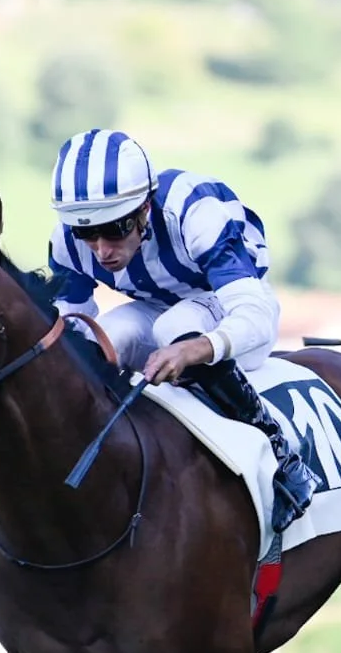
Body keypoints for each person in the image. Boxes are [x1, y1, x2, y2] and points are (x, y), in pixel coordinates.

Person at [47, 128, 318, 533]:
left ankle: (283, 454)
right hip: (158, 310)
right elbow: (67, 331)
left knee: (177, 327)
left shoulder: (194, 213)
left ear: (143, 209)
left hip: (229, 302)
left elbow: (254, 316)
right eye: (87, 233)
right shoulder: (67, 243)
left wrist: (195, 350)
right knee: (99, 340)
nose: (101, 249)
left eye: (115, 229)